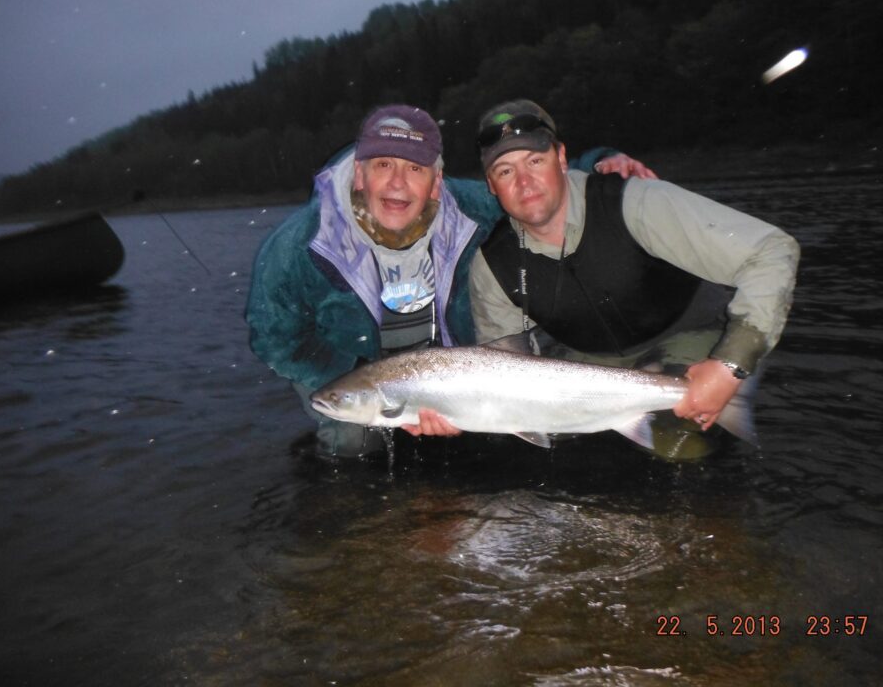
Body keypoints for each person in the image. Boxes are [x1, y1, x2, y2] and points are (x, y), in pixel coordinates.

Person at [245, 103, 651, 457]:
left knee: (500, 440)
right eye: (383, 165)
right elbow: (275, 338)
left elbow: (532, 186)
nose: (398, 183)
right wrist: (352, 372)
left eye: (415, 168)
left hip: (453, 370)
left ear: (436, 182)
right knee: (351, 446)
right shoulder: (296, 248)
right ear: (359, 175)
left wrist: (601, 162)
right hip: (353, 369)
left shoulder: (474, 208)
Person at [420, 99, 800, 458]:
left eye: (535, 160)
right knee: (542, 457)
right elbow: (502, 373)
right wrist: (453, 411)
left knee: (680, 444)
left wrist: (729, 365)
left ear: (562, 158)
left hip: (690, 335)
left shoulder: (634, 202)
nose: (524, 182)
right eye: (505, 171)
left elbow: (771, 250)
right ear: (490, 185)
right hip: (593, 363)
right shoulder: (492, 267)